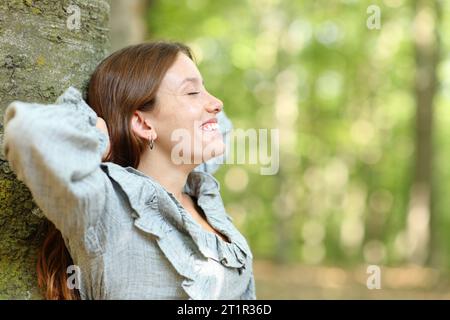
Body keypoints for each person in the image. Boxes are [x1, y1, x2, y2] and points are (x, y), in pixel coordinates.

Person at [2, 41, 255, 300]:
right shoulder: (106, 203)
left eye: (205, 89)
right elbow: (26, 130)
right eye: (192, 93)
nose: (217, 103)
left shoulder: (200, 190)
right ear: (143, 123)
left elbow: (221, 126)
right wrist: (98, 136)